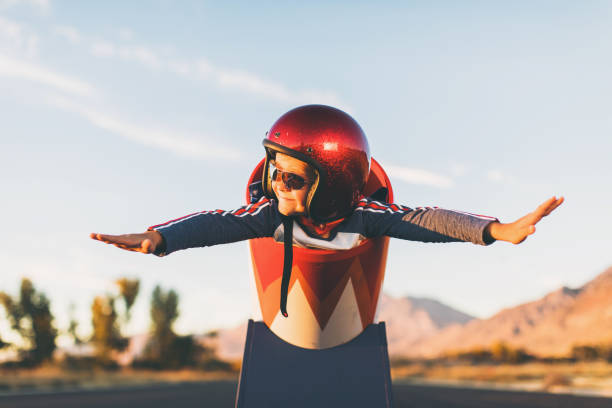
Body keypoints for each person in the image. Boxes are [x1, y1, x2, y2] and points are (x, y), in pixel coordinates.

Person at [90, 105, 563, 315]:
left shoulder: (363, 216)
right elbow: (216, 224)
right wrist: (159, 238)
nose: (275, 184)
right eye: (274, 170)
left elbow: (425, 219)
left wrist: (497, 231)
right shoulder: (269, 216)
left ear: (332, 185)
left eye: (291, 178)